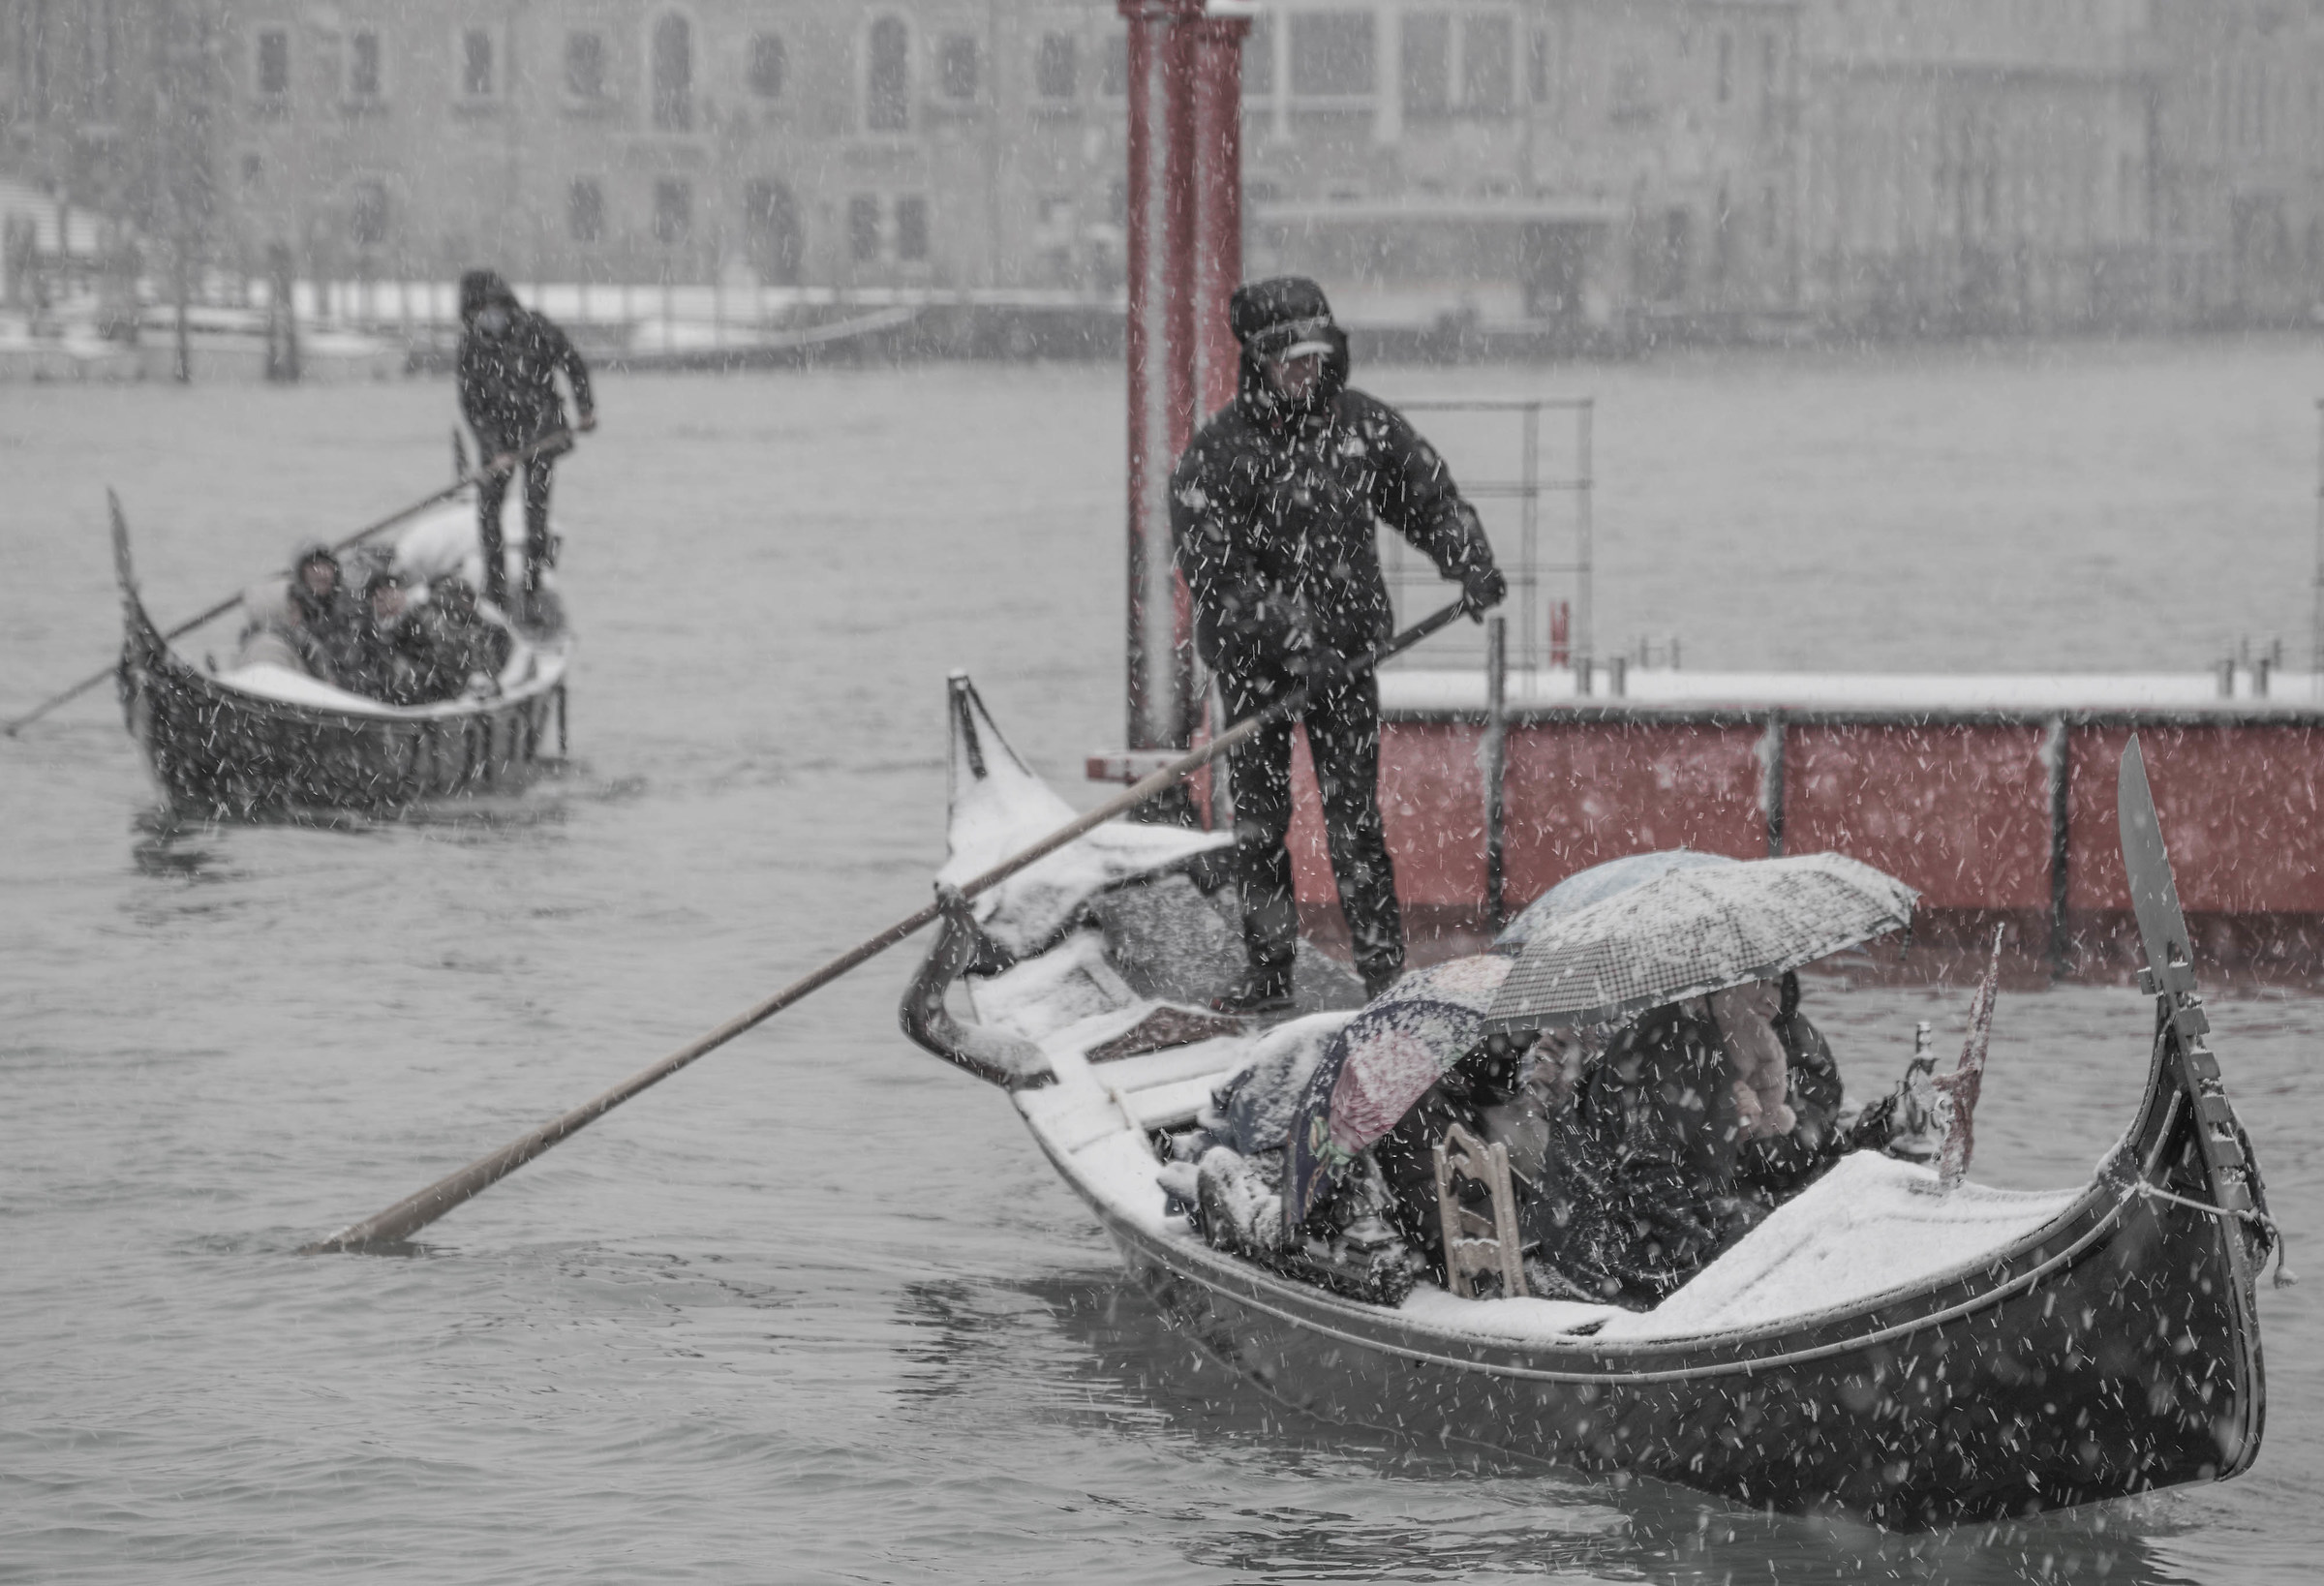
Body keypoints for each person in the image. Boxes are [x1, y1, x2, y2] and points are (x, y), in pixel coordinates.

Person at [1171, 277, 1507, 1012]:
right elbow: (1215, 573)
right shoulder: (1216, 457)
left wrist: (1470, 560)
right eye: (1290, 358)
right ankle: (1269, 975)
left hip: (1349, 664)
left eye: (1316, 357)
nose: (1305, 372)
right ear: (1258, 361)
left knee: (1356, 825)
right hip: (1258, 673)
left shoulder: (1361, 428)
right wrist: (1292, 643)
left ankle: (1385, 980)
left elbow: (1429, 498)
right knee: (1261, 827)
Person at [1521, 973, 1848, 1306]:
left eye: (1777, 987)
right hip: (1603, 1253)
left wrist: (1742, 1131)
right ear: (1724, 985)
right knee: (1774, 1245)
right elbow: (1646, 1174)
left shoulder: (1700, 1034)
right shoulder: (1677, 1044)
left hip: (1599, 1231)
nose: (1770, 999)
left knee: (1776, 1228)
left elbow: (1692, 1160)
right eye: (1758, 982)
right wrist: (1704, 1249)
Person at [455, 268, 595, 626]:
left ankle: (531, 588)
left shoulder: (536, 329)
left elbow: (573, 364)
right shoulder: (470, 346)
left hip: (540, 431)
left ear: (507, 307)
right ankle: (497, 591)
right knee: (489, 513)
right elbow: (471, 405)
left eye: (495, 310)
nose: (490, 319)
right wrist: (494, 449)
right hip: (496, 437)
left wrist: (585, 408)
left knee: (536, 514)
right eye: (482, 313)